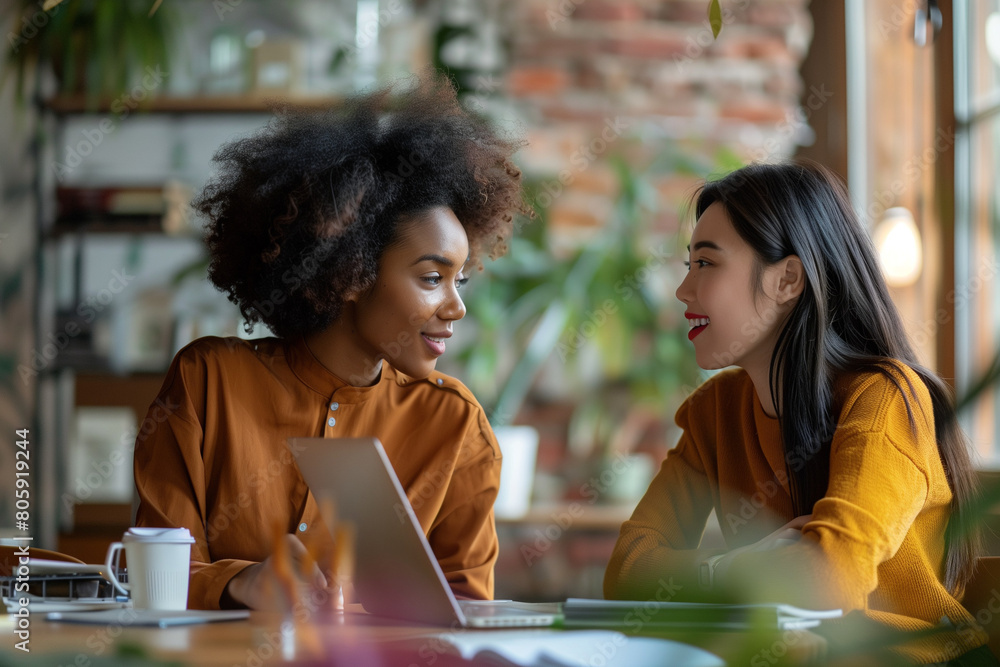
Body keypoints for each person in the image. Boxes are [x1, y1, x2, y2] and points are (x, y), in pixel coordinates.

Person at [133, 75, 528, 611]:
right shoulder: (208, 383)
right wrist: (241, 582)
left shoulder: (455, 426)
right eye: (433, 278)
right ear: (353, 270)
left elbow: (467, 616)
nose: (457, 308)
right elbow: (156, 577)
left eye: (461, 281)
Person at [603, 161, 995, 666]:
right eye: (689, 266)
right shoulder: (713, 411)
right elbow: (626, 571)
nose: (684, 291)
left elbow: (826, 580)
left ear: (787, 279)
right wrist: (730, 567)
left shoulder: (887, 400)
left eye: (706, 264)